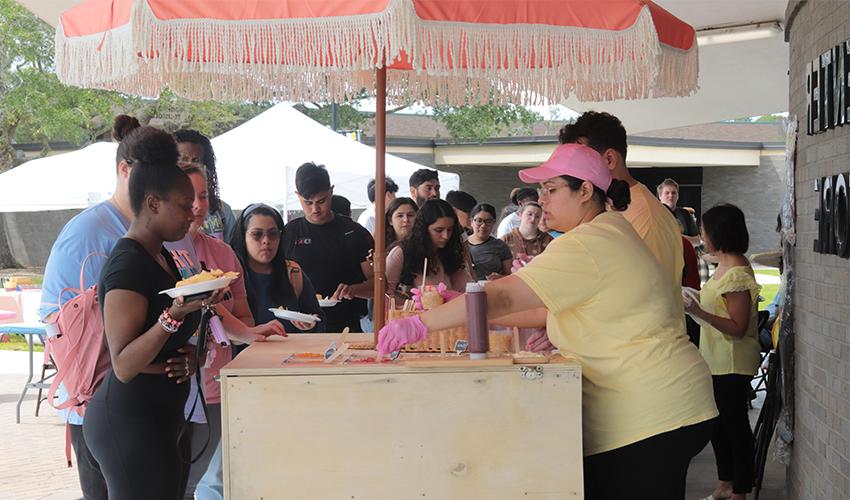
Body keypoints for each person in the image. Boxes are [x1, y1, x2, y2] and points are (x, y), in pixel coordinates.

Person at [378, 144, 718, 500]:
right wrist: (459, 304)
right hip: (669, 402)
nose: (542, 200)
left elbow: (506, 296)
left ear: (585, 191)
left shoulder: (586, 243)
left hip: (647, 413)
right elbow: (541, 309)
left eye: (552, 190)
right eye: (540, 191)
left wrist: (421, 323)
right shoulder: (610, 228)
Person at [83, 129, 227, 499]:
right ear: (152, 203)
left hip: (160, 417)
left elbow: (162, 347)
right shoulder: (127, 264)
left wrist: (185, 359)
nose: (193, 211)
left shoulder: (161, 256)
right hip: (129, 421)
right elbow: (124, 364)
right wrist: (174, 316)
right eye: (183, 204)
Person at [38, 115, 142, 500]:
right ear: (124, 170)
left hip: (137, 398)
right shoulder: (86, 231)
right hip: (94, 406)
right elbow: (54, 319)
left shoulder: (153, 230)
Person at [171, 167, 286, 500]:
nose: (197, 205)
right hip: (173, 380)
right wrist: (246, 332)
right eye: (189, 196)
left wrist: (248, 331)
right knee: (178, 476)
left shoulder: (222, 253)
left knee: (211, 474)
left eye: (204, 196)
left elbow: (243, 315)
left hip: (217, 383)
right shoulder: (162, 251)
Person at [683, 204, 760, 500]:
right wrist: (695, 300)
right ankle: (725, 483)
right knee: (718, 426)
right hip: (715, 359)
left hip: (732, 362)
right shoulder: (723, 264)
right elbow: (717, 306)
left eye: (704, 230)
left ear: (719, 232)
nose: (701, 236)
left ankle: (740, 489)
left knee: (735, 427)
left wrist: (698, 309)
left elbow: (738, 326)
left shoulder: (737, 272)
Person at [559, 112, 684, 295]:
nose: (572, 172)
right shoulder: (603, 206)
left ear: (609, 159)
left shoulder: (646, 218)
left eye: (579, 161)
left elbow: (648, 295)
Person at [283, 162, 374, 332]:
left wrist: (354, 290)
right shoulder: (289, 232)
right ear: (297, 196)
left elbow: (379, 284)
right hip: (298, 326)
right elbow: (276, 277)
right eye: (308, 202)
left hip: (346, 328)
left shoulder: (354, 232)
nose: (315, 209)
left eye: (321, 201)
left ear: (331, 191)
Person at [232, 203, 325, 333]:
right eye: (257, 234)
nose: (266, 240)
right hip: (246, 353)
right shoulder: (231, 277)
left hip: (289, 352)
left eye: (273, 234)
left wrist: (311, 324)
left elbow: (318, 319)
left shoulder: (292, 272)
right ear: (243, 237)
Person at [385, 199, 471, 299]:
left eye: (450, 230)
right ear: (423, 229)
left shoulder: (450, 251)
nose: (445, 236)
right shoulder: (401, 253)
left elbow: (466, 287)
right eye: (438, 230)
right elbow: (386, 296)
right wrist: (413, 304)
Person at [174, 129, 238, 243]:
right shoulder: (164, 210)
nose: (189, 165)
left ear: (206, 165)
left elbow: (233, 253)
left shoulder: (223, 211)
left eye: (195, 160)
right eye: (182, 160)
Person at [466, 203, 512, 281]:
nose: (483, 225)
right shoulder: (461, 245)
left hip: (494, 289)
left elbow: (511, 276)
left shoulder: (500, 245)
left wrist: (500, 278)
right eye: (479, 221)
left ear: (494, 223)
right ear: (471, 222)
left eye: (488, 221)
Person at [657, 178, 701, 247]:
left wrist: (677, 237)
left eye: (674, 193)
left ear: (678, 196)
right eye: (667, 193)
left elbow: (697, 241)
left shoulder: (686, 214)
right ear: (660, 196)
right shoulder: (653, 214)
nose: (671, 196)